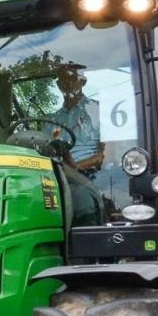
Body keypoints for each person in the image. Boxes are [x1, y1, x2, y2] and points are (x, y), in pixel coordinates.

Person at [48, 66, 106, 224]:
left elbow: (107, 155)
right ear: (58, 85)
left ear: (83, 81)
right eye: (62, 79)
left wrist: (74, 167)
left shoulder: (99, 110)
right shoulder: (51, 120)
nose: (67, 83)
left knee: (81, 203)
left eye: (72, 78)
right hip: (56, 177)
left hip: (92, 177)